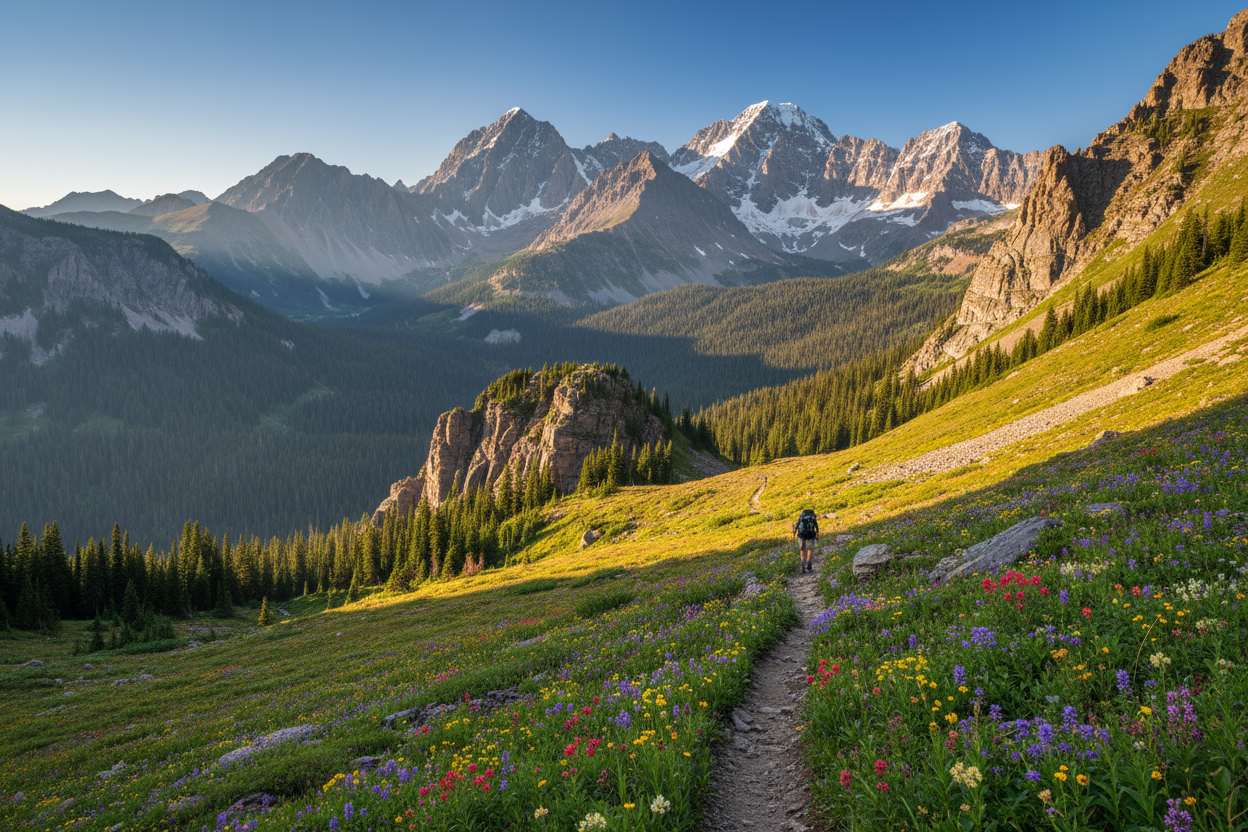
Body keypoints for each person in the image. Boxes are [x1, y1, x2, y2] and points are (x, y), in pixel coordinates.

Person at [793, 509, 818, 573]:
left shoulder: (802, 515)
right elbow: (816, 525)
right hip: (811, 534)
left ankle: (802, 565)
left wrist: (794, 533)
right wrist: (817, 533)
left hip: (801, 534)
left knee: (802, 549)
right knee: (810, 549)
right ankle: (809, 564)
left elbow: (797, 524)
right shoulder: (812, 515)